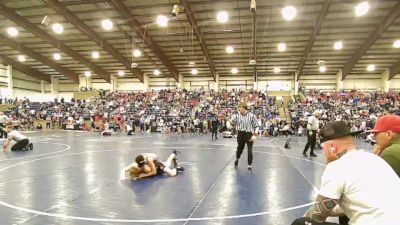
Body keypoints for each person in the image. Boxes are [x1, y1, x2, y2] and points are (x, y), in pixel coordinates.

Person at [291, 121, 400, 225]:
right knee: (345, 216)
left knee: (300, 223)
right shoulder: (374, 159)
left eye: (324, 148)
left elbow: (317, 216)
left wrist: (306, 216)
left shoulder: (336, 168)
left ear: (332, 147)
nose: (324, 153)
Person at [232, 102, 259, 173]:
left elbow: (256, 126)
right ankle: (237, 159)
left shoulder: (252, 116)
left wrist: (255, 134)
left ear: (244, 108)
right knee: (239, 149)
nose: (239, 110)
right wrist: (230, 123)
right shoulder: (237, 115)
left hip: (249, 134)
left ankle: (249, 165)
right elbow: (231, 122)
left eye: (240, 108)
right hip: (241, 133)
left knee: (249, 149)